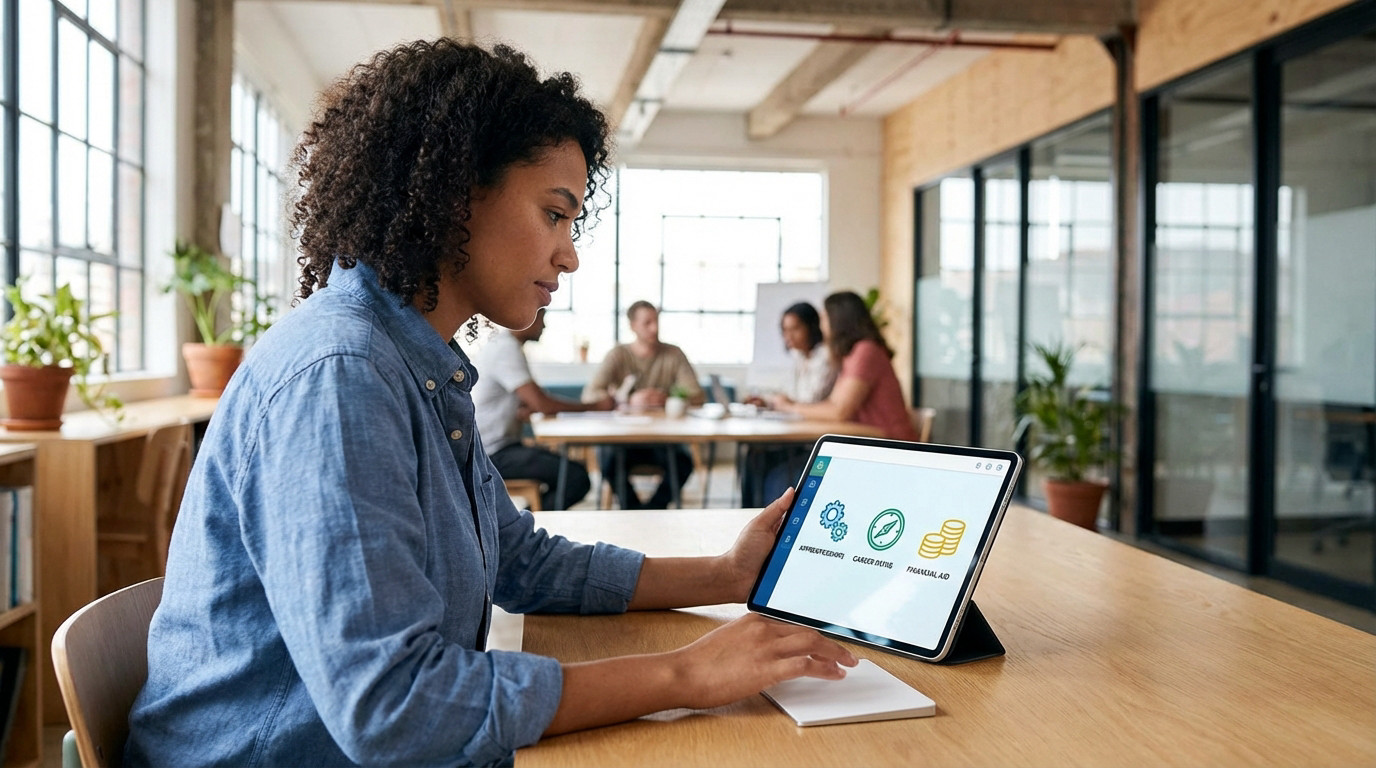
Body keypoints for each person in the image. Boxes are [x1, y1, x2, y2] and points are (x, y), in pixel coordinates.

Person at [124, 40, 854, 768]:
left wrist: (725, 575)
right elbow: (394, 707)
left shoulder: (417, 363)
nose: (569, 254)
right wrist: (687, 674)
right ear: (452, 194)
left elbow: (519, 561)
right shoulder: (342, 373)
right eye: (553, 214)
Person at [762, 290, 920, 499]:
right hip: (867, 445)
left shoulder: (866, 352)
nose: (821, 325)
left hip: (889, 453)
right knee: (768, 465)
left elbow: (839, 412)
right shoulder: (854, 353)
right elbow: (834, 404)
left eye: (825, 318)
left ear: (839, 319)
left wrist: (788, 406)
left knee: (780, 478)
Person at [472, 309, 612, 509]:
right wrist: (596, 407)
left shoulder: (506, 346)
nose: (543, 326)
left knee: (569, 471)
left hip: (499, 446)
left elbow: (529, 401)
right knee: (575, 476)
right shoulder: (505, 349)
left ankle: (525, 524)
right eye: (541, 319)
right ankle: (526, 529)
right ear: (524, 318)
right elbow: (541, 404)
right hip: (493, 453)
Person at [582, 300, 704, 508]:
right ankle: (632, 510)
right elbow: (589, 395)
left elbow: (697, 395)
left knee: (683, 463)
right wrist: (628, 400)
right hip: (623, 440)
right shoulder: (618, 355)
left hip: (663, 439)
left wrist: (667, 398)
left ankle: (653, 510)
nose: (654, 328)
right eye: (647, 323)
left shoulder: (673, 354)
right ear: (632, 326)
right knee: (608, 459)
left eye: (656, 321)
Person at [742, 301, 835, 503]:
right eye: (785, 330)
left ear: (812, 327)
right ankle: (749, 518)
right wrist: (767, 400)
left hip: (812, 439)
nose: (788, 336)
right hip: (802, 432)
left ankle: (762, 517)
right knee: (754, 455)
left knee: (767, 466)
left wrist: (782, 402)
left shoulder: (826, 357)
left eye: (795, 329)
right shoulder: (801, 357)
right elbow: (789, 394)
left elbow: (808, 399)